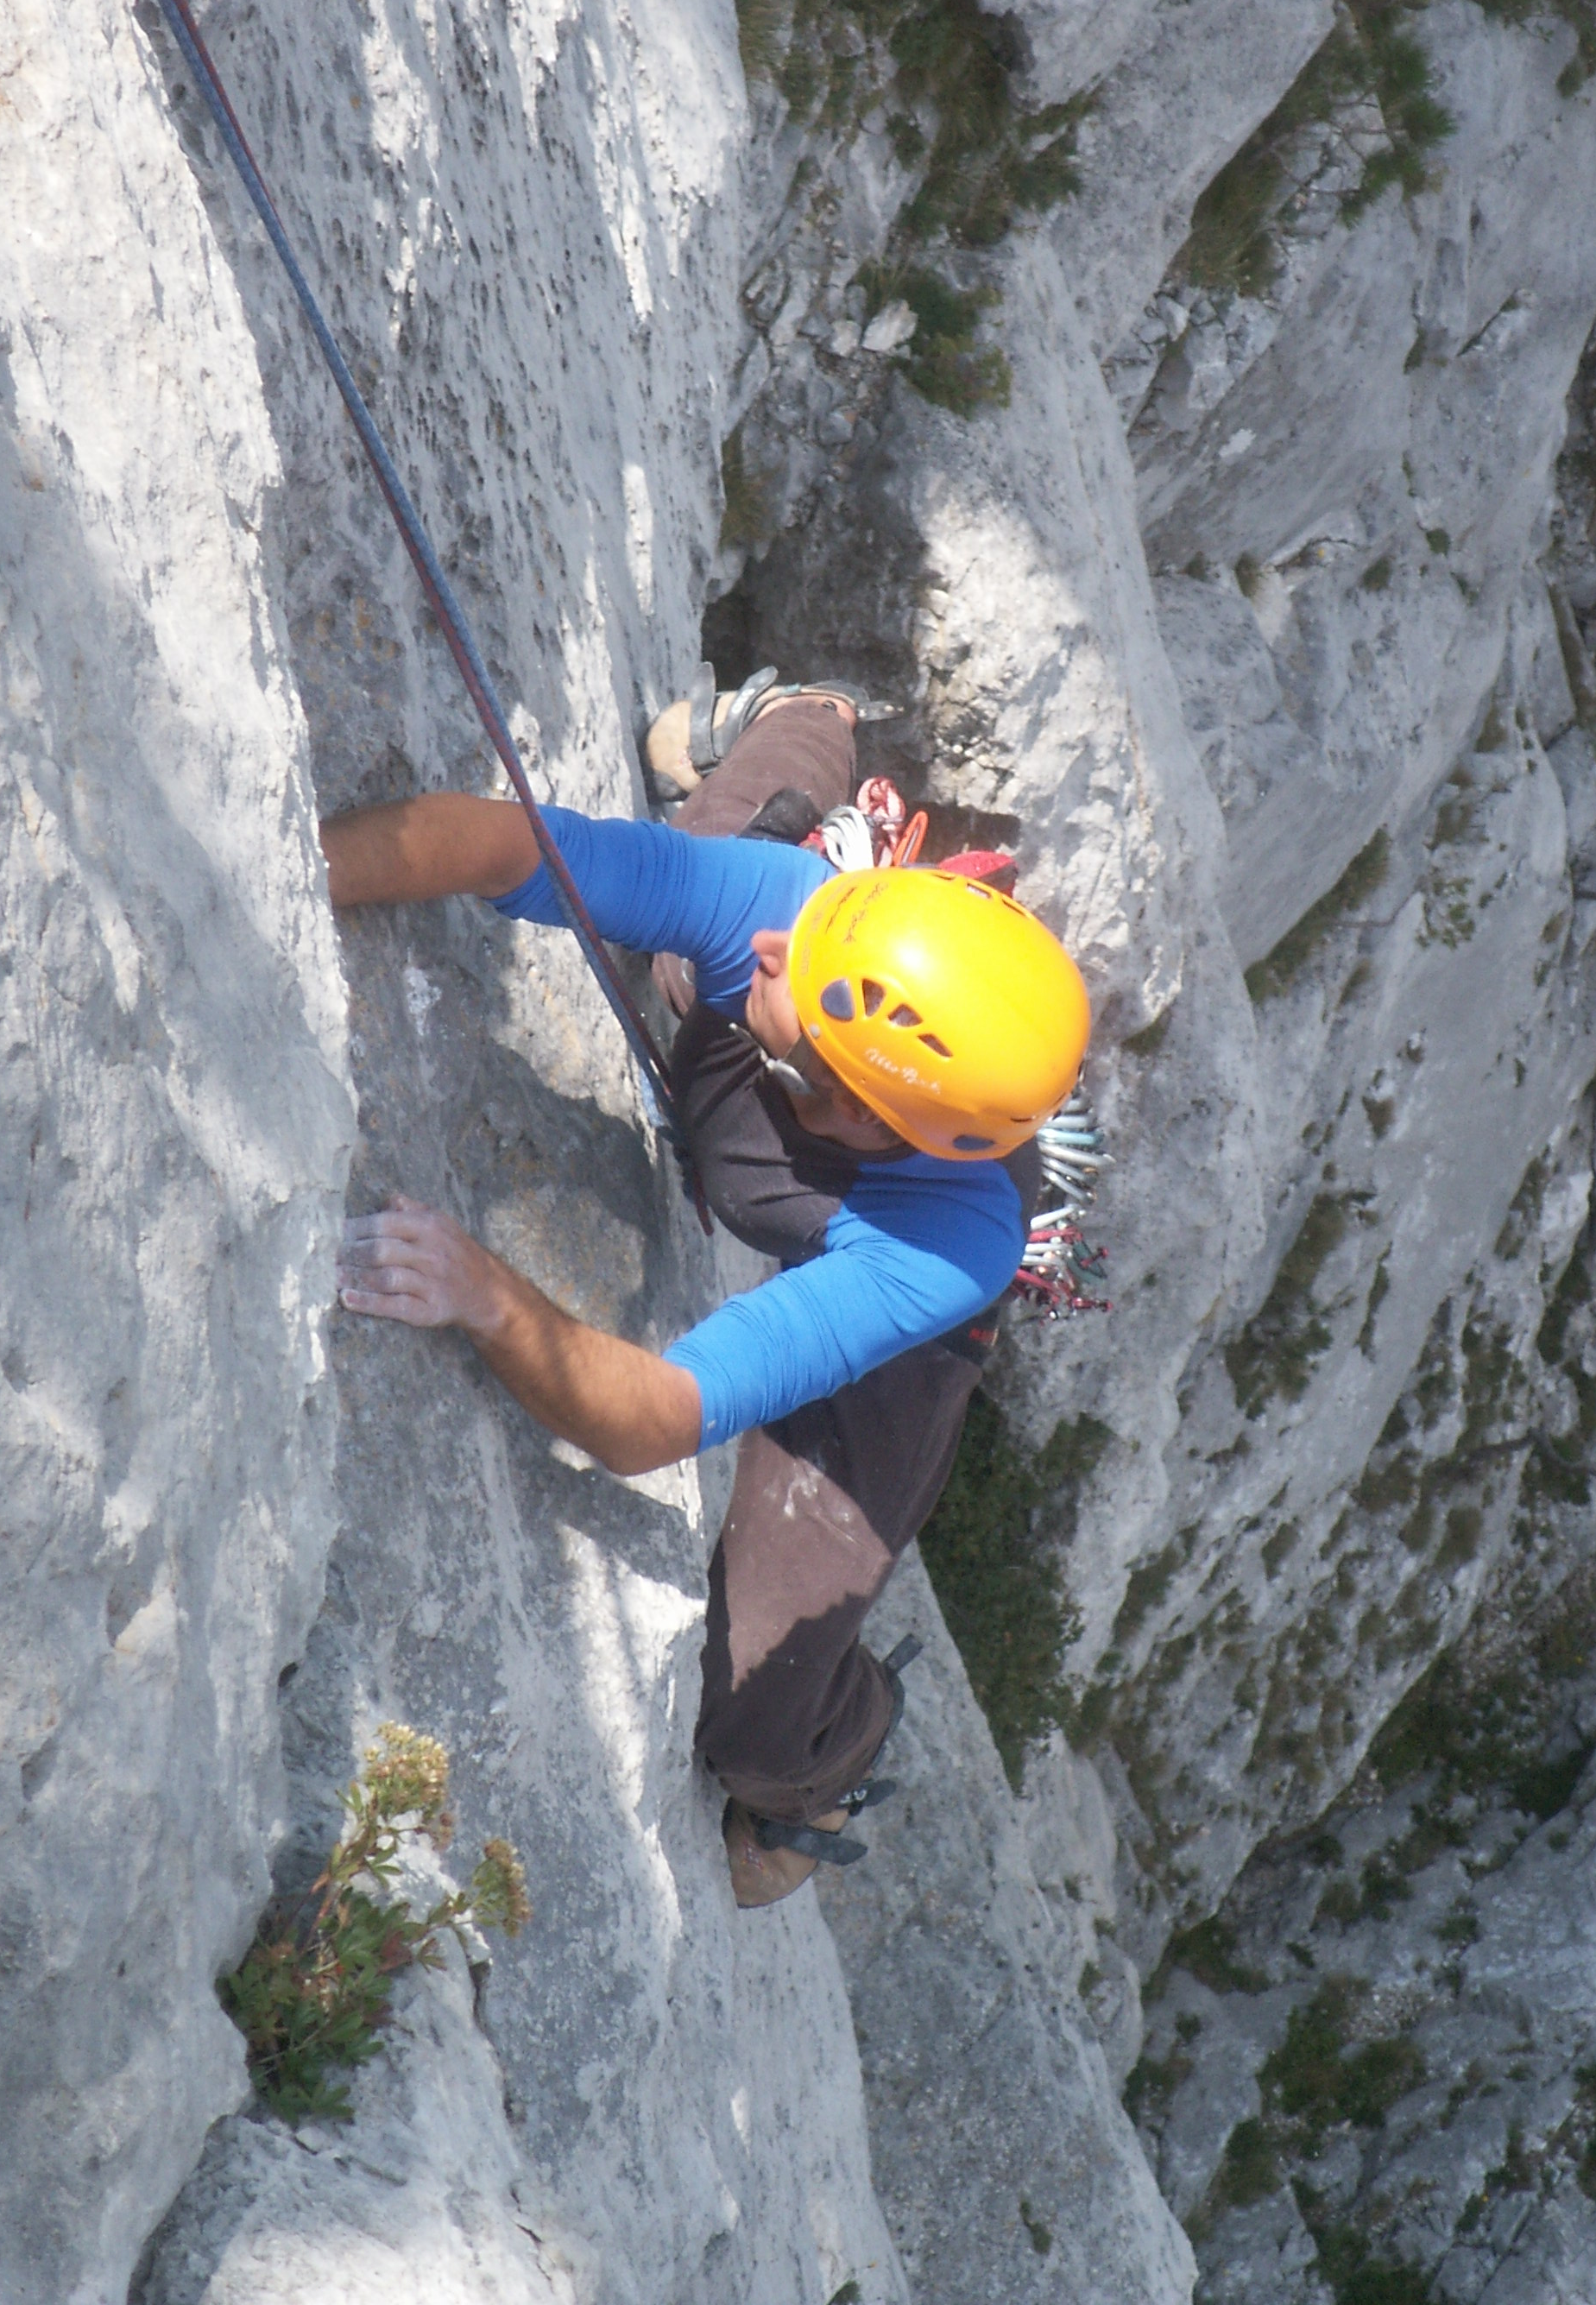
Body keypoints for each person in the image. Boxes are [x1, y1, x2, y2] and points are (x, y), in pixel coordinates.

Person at [322, 691, 1090, 1908]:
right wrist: (308, 867)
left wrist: (488, 1296)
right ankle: (803, 724)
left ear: (849, 1107)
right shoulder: (795, 918)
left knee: (751, 1715)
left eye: (799, 975)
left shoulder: (942, 1253)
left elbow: (661, 1418)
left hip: (905, 1303)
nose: (778, 948)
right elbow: (513, 846)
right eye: (800, 937)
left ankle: (830, 1761)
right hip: (844, 1047)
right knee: (695, 925)